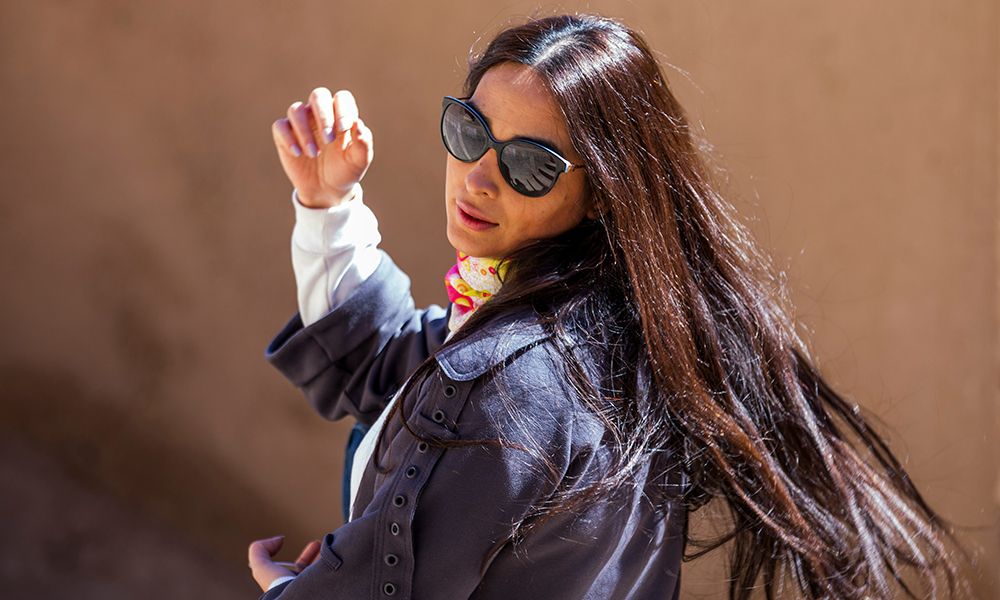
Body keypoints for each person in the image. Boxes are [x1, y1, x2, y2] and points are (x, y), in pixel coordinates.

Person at [247, 13, 970, 600]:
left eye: (530, 165)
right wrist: (327, 202)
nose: (479, 176)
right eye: (470, 131)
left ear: (601, 194)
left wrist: (291, 591)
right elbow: (401, 369)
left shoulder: (508, 384)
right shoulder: (617, 335)